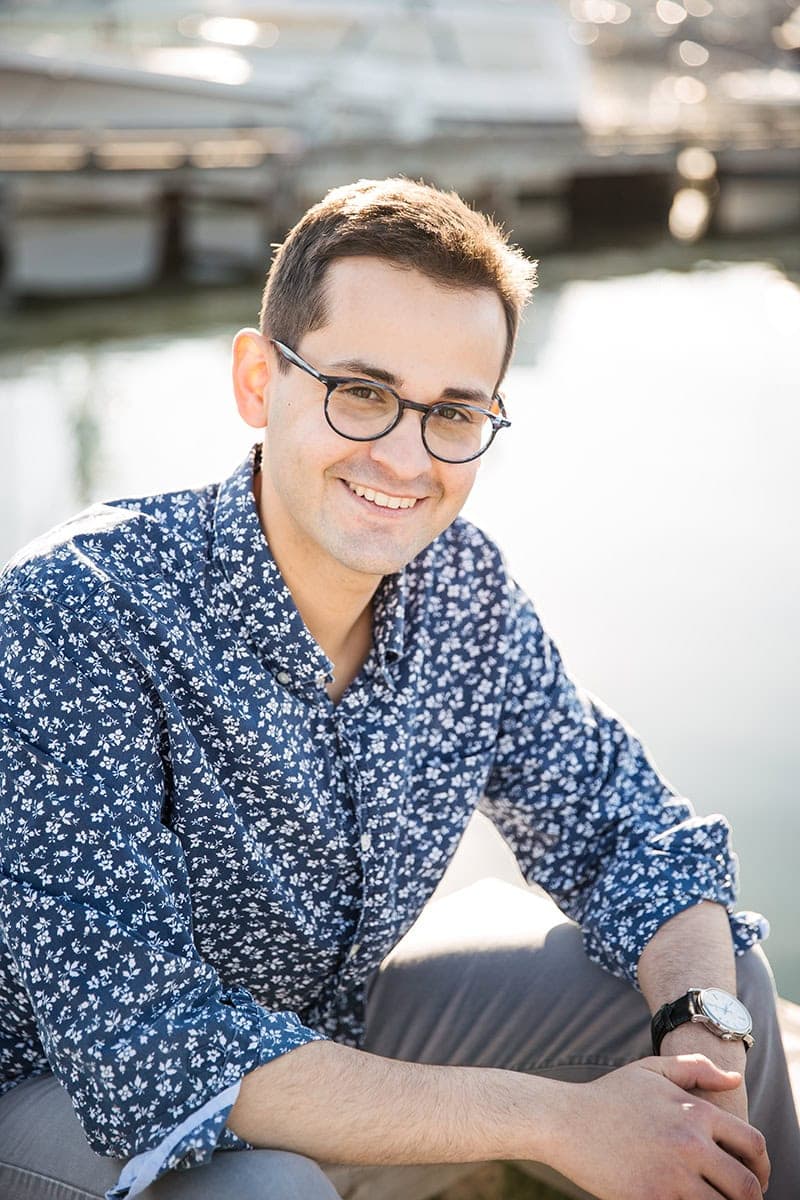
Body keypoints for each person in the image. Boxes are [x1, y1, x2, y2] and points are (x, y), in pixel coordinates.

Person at [0, 178, 797, 1200]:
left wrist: (705, 1060)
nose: (404, 456)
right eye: (361, 391)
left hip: (322, 1030)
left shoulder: (460, 587)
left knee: (714, 989)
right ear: (258, 380)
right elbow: (143, 1037)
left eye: (453, 411)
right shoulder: (78, 609)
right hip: (48, 1091)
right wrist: (556, 1121)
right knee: (265, 1189)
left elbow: (628, 835)